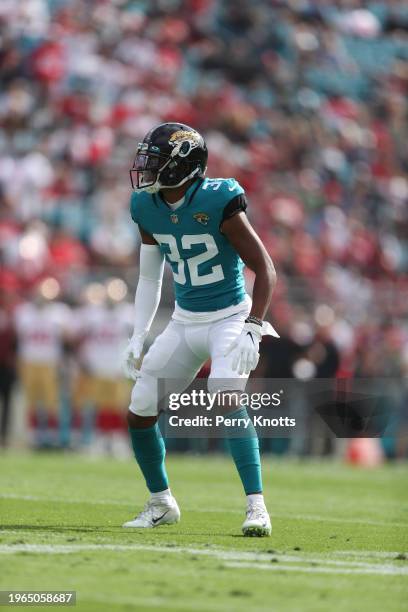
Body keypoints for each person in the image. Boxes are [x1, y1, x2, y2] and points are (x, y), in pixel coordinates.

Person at [122, 123, 278, 536]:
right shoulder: (146, 206)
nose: (147, 169)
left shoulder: (220, 199)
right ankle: (160, 503)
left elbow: (264, 269)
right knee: (140, 408)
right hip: (184, 320)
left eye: (156, 161)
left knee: (225, 394)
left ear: (182, 166)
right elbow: (150, 279)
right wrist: (139, 333)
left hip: (228, 316)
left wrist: (253, 326)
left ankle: (256, 507)